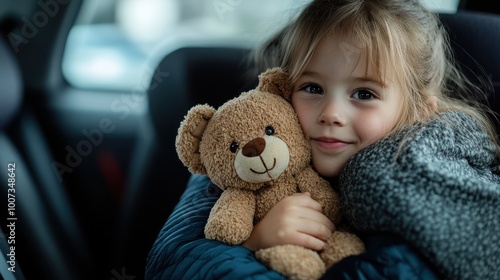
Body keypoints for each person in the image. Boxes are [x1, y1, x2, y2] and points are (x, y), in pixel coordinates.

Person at [145, 0, 500, 279]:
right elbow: (176, 259)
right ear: (283, 89)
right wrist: (254, 241)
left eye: (364, 93)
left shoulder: (410, 177)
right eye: (312, 88)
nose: (331, 113)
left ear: (419, 109)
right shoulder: (237, 161)